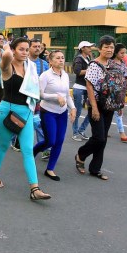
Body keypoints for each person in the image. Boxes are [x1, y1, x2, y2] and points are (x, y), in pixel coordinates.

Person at [0, 37, 51, 200]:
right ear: (14, 50)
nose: (25, 52)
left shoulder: (30, 67)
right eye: (21, 49)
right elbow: (6, 56)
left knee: (28, 150)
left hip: (27, 112)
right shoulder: (7, 67)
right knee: (3, 146)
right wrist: (8, 47)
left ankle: (34, 188)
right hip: (7, 113)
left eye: (26, 49)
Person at [75, 35, 118, 181]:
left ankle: (95, 168)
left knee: (103, 138)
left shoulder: (113, 64)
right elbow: (89, 86)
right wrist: (93, 107)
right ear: (100, 49)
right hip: (97, 103)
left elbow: (117, 85)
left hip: (110, 105)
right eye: (106, 47)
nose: (109, 49)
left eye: (111, 47)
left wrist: (119, 103)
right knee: (99, 137)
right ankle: (81, 154)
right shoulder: (94, 65)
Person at [33, 50, 76, 181]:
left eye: (62, 58)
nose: (61, 60)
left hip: (61, 113)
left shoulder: (65, 75)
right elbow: (40, 94)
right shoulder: (45, 76)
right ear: (50, 61)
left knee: (59, 141)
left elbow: (67, 95)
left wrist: (73, 108)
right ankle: (32, 153)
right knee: (50, 141)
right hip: (48, 111)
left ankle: (50, 169)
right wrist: (56, 96)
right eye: (57, 58)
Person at [12, 39, 50, 154]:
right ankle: (15, 140)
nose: (37, 48)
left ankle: (44, 148)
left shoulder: (44, 64)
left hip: (37, 98)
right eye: (34, 46)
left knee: (38, 123)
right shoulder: (22, 62)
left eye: (39, 46)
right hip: (22, 98)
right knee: (19, 122)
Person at [111, 43, 127, 142]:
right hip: (113, 91)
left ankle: (109, 131)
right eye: (122, 53)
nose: (123, 55)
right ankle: (122, 134)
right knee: (118, 112)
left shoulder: (123, 63)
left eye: (125, 53)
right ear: (116, 52)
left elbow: (124, 76)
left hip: (122, 90)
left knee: (117, 112)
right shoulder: (111, 63)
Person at [71, 41, 94, 141]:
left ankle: (82, 129)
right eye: (88, 47)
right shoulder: (79, 58)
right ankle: (75, 133)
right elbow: (77, 71)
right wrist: (90, 69)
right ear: (83, 48)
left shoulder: (88, 58)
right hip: (79, 88)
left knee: (92, 111)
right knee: (78, 111)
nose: (90, 49)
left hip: (88, 88)